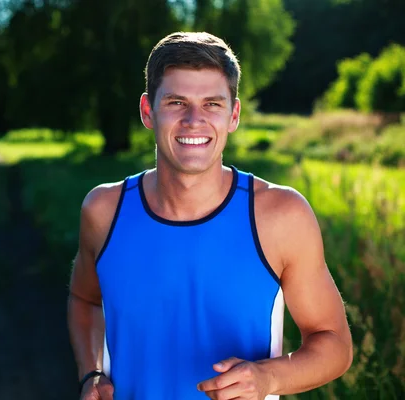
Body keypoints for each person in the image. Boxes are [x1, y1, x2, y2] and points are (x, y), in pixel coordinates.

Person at [67, 31, 353, 400]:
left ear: (233, 115)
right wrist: (91, 373)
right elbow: (84, 299)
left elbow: (334, 344)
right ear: (147, 112)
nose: (194, 120)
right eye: (176, 102)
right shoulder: (104, 210)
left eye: (212, 104)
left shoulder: (280, 216)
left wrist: (269, 379)